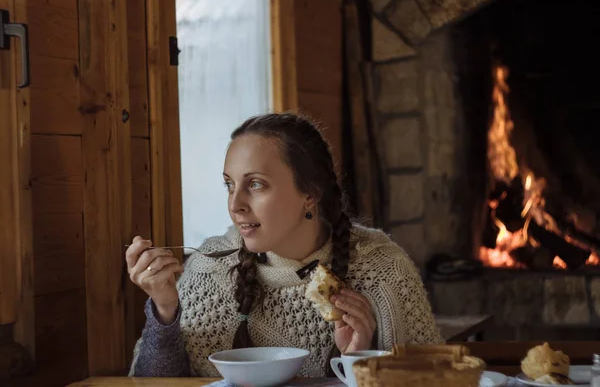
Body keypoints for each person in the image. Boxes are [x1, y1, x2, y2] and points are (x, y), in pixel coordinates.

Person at [127, 112, 443, 378]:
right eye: (229, 185)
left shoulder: (382, 268)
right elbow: (149, 385)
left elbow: (437, 381)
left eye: (255, 184)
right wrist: (165, 310)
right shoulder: (210, 268)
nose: (235, 204)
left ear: (310, 193)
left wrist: (358, 362)